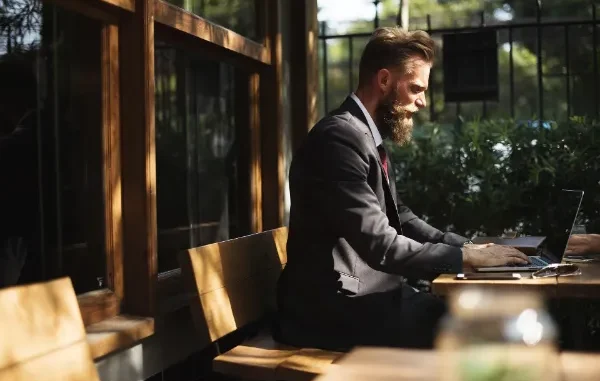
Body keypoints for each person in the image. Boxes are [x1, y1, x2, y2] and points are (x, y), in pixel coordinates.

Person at [274, 27, 529, 350]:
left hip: (366, 298)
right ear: (384, 81)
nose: (422, 102)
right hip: (331, 312)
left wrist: (471, 248)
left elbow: (401, 217)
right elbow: (381, 245)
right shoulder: (338, 139)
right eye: (415, 88)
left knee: (481, 320)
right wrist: (464, 257)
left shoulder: (363, 135)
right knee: (480, 329)